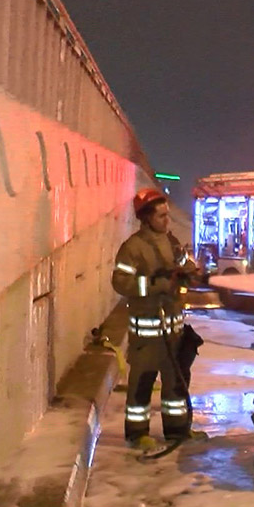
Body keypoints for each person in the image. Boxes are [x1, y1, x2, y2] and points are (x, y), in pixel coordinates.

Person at [111, 188, 206, 449]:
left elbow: (186, 263)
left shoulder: (171, 242)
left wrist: (189, 272)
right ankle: (138, 434)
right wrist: (153, 285)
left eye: (168, 215)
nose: (167, 221)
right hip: (147, 333)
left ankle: (178, 431)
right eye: (162, 216)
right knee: (142, 385)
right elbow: (120, 282)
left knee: (176, 384)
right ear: (147, 218)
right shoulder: (133, 248)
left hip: (173, 331)